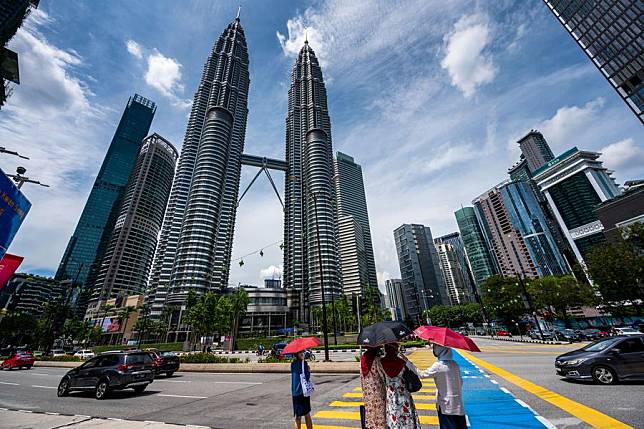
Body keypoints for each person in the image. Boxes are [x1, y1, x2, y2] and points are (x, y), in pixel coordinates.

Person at [420, 344, 466, 429]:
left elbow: (422, 374)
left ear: (440, 349)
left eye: (435, 347)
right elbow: (461, 382)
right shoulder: (455, 364)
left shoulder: (438, 366)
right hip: (458, 404)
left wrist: (408, 363)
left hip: (446, 405)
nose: (434, 349)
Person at [380, 343, 421, 429]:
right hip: (403, 394)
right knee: (405, 416)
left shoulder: (381, 362)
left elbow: (382, 379)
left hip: (391, 396)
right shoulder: (402, 362)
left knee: (393, 414)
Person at [360, 346, 387, 429]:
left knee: (371, 413)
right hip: (378, 391)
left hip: (367, 393)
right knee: (379, 414)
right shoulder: (377, 360)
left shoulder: (362, 359)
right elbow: (383, 376)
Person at [291, 350, 313, 429]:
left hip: (295, 392)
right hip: (303, 392)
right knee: (307, 414)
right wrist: (308, 370)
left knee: (298, 416)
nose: (302, 353)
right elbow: (306, 378)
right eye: (301, 352)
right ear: (297, 354)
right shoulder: (304, 364)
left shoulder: (292, 364)